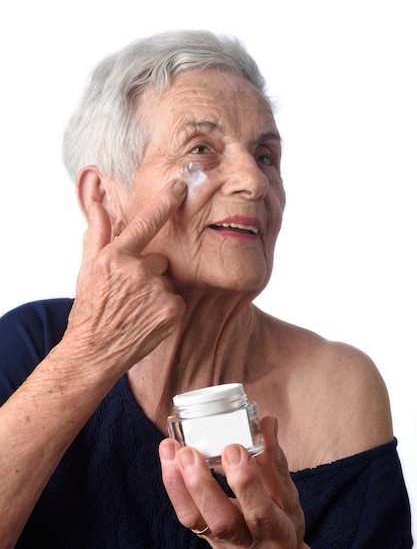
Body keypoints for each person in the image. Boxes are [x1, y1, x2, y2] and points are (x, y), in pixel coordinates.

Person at [0, 30, 412, 549]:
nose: (254, 182)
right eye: (201, 150)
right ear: (104, 196)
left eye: (265, 156)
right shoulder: (31, 346)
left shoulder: (340, 388)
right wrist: (88, 353)